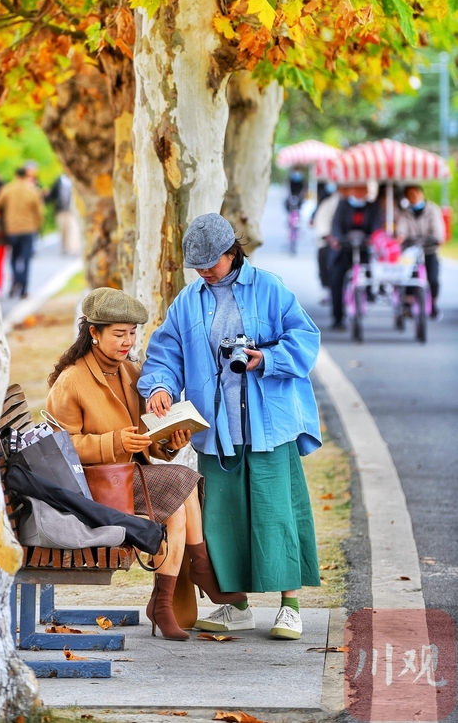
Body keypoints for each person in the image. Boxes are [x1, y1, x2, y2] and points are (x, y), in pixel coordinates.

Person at [138, 213, 321, 641]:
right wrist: (160, 387)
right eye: (197, 264)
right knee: (221, 519)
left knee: (277, 515)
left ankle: (290, 606)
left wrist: (267, 359)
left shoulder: (270, 287)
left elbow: (305, 339)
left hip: (268, 425)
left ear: (231, 251)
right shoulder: (187, 300)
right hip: (215, 431)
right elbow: (165, 353)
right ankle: (233, 606)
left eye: (211, 262)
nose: (204, 270)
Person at [47, 287, 246, 641]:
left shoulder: (130, 372)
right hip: (90, 486)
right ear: (93, 333)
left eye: (133, 333)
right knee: (181, 488)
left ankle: (165, 601)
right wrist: (115, 443)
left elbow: (146, 437)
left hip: (128, 477)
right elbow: (61, 447)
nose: (128, 341)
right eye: (119, 334)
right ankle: (197, 575)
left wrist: (170, 442)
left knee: (181, 492)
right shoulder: (72, 379)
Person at [328, 184, 382, 331]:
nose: (359, 192)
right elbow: (336, 224)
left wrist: (374, 238)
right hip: (344, 250)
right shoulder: (343, 205)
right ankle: (338, 317)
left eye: (362, 189)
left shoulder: (373, 207)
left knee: (370, 273)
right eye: (356, 188)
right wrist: (338, 239)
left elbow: (377, 224)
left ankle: (369, 294)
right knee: (337, 279)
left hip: (364, 249)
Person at [0, 165, 44, 298]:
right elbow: (40, 212)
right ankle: (24, 288)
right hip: (29, 229)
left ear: (15, 175)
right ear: (26, 176)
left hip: (12, 229)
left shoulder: (7, 189)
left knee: (13, 258)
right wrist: (38, 225)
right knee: (26, 259)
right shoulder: (32, 190)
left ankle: (16, 280)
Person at [396, 184, 446, 319]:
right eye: (410, 195)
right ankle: (407, 303)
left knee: (433, 279)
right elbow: (402, 228)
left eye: (415, 193)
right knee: (408, 276)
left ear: (421, 194)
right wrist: (401, 236)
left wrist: (437, 238)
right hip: (411, 251)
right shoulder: (405, 213)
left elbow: (438, 230)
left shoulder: (433, 210)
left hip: (429, 250)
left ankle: (433, 304)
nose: (413, 197)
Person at [310, 183, 339, 302]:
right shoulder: (327, 203)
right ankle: (327, 288)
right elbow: (321, 225)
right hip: (329, 242)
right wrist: (330, 237)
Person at [45, 172, 80, 255]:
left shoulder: (74, 180)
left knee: (72, 229)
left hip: (72, 210)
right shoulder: (59, 181)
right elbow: (52, 194)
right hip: (60, 210)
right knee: (63, 229)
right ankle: (64, 246)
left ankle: (72, 248)